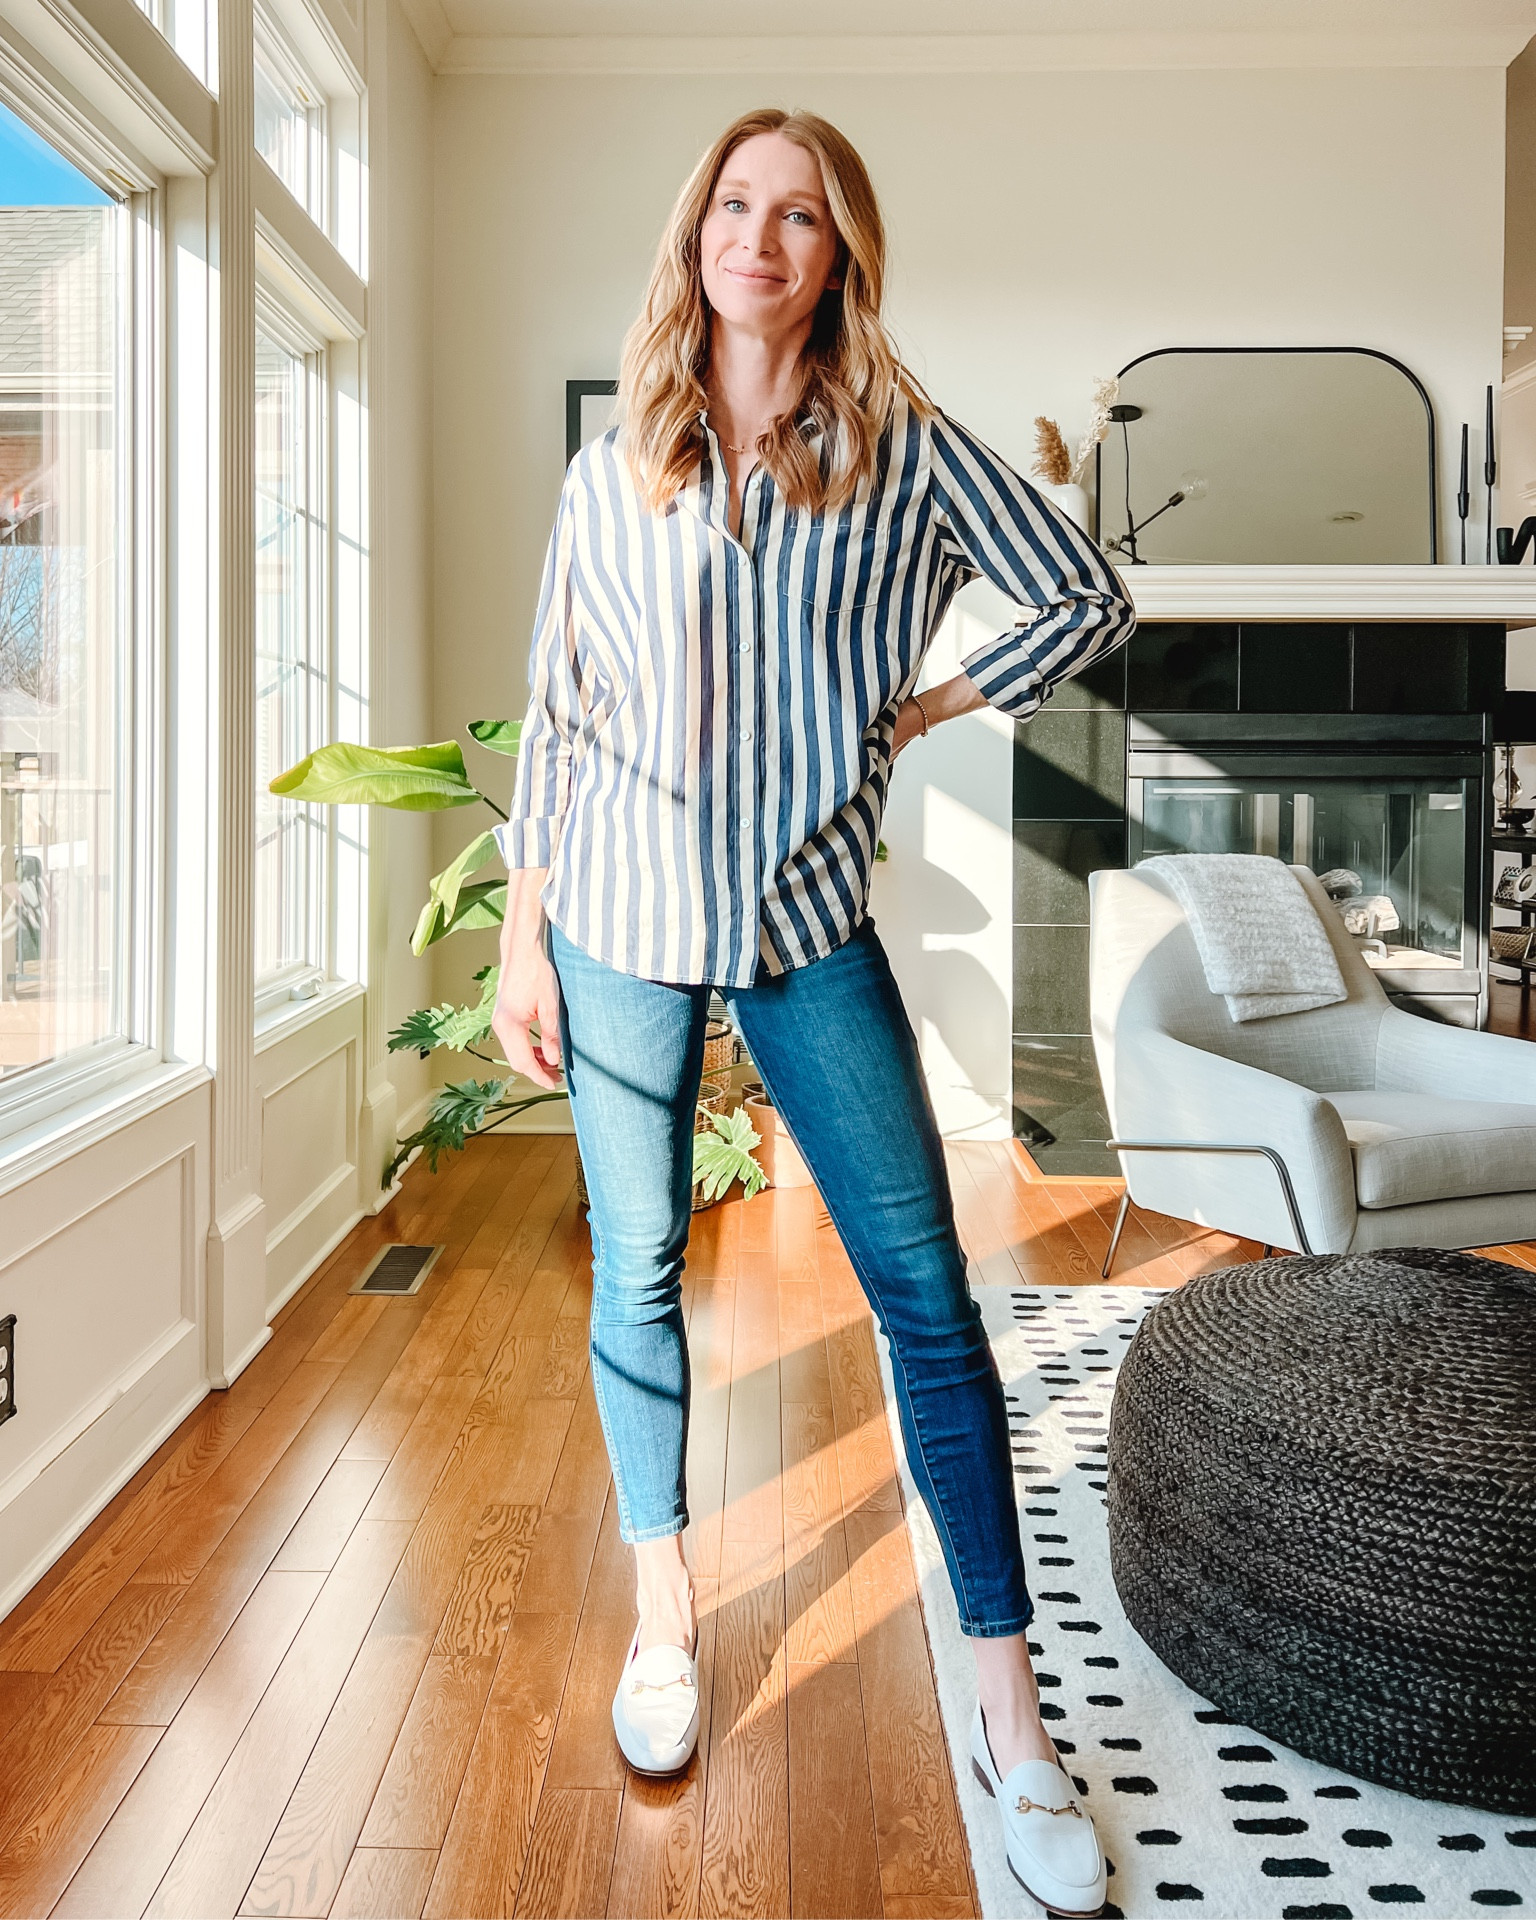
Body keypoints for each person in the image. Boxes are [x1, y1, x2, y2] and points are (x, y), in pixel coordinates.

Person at [490, 105, 1132, 1919]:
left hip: (804, 931)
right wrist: (521, 940)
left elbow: (1087, 593)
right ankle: (668, 1621)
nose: (757, 238)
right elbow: (558, 714)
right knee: (634, 1279)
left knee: (927, 1302)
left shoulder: (907, 456)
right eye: (734, 204)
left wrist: (927, 710)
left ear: (839, 251)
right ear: (696, 227)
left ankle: (1013, 1722)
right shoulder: (618, 465)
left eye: (799, 216)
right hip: (612, 923)